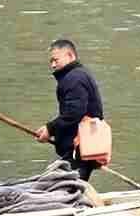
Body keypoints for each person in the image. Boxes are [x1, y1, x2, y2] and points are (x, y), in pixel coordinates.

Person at [41, 36, 108, 179]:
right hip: (83, 148)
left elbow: (74, 112)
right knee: (67, 185)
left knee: (61, 186)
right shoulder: (78, 75)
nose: (52, 65)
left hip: (80, 148)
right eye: (51, 61)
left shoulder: (74, 78)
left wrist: (50, 128)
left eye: (56, 60)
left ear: (70, 55)